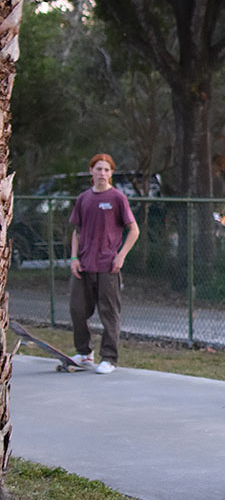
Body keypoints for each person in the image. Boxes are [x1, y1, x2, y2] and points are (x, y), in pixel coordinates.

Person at [68, 154, 141, 374]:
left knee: (109, 314)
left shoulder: (118, 198)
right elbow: (76, 232)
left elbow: (134, 231)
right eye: (98, 169)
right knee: (77, 309)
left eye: (107, 170)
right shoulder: (83, 199)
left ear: (111, 173)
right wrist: (74, 258)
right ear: (91, 171)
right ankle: (84, 353)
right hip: (84, 266)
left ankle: (109, 358)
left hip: (108, 267)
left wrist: (121, 256)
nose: (102, 173)